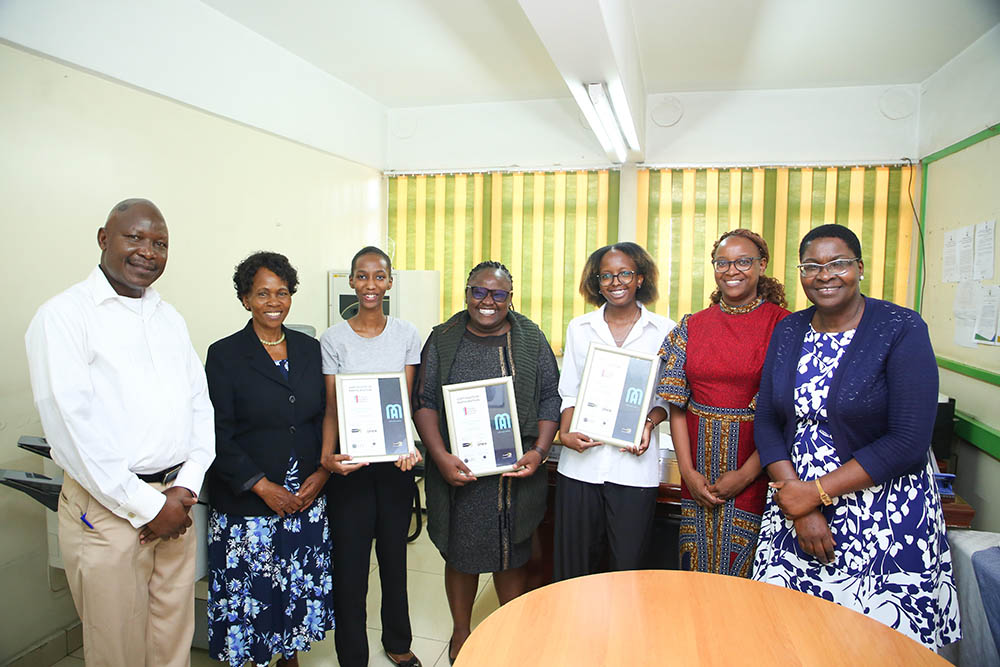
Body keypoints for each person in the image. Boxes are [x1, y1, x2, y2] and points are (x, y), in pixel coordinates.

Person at [24, 198, 215, 666]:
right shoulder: (64, 317)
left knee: (172, 636)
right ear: (104, 239)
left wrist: (185, 486)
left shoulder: (169, 318)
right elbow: (74, 430)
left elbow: (199, 406)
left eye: (160, 243)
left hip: (176, 502)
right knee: (117, 646)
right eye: (135, 238)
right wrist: (151, 506)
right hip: (110, 511)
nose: (148, 252)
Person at [752, 224, 960, 649]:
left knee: (877, 645)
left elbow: (908, 441)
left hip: (884, 515)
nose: (825, 274)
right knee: (787, 638)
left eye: (838, 263)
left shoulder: (900, 328)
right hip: (794, 505)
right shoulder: (789, 330)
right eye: (812, 266)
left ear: (860, 268)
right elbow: (768, 420)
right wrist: (800, 504)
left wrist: (816, 494)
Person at [413, 261, 560, 663]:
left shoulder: (530, 338)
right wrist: (440, 457)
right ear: (466, 292)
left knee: (511, 551)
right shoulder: (443, 339)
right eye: (479, 291)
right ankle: (462, 633)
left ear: (511, 297)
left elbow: (550, 398)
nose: (488, 301)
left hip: (515, 474)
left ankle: (506, 627)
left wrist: (540, 451)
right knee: (461, 554)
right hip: (459, 473)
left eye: (498, 294)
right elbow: (424, 402)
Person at [204, 252, 334, 667]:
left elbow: (325, 416)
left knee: (293, 590)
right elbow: (216, 433)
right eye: (262, 293)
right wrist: (261, 485)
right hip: (249, 502)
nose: (273, 301)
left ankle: (288, 656)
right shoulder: (225, 355)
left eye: (281, 292)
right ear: (245, 299)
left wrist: (322, 473)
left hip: (305, 498)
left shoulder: (311, 349)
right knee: (252, 597)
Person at [652, 229, 789, 576]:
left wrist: (745, 475)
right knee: (695, 571)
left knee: (749, 576)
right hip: (696, 468)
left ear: (762, 265)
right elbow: (676, 405)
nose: (732, 271)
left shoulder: (785, 326)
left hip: (758, 467)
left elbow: (787, 416)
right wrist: (687, 472)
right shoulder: (692, 326)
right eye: (722, 263)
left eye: (743, 262)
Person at [319, 246, 423, 667]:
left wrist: (408, 447)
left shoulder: (406, 334)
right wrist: (327, 456)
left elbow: (407, 402)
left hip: (395, 467)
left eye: (379, 277)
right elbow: (331, 408)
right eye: (362, 276)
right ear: (351, 282)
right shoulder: (332, 338)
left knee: (395, 561)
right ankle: (353, 655)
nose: (370, 285)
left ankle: (398, 643)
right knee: (350, 567)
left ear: (390, 282)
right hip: (351, 468)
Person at [555, 243, 675, 581]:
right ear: (596, 281)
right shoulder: (580, 327)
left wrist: (649, 424)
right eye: (605, 275)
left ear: (640, 278)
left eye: (624, 273)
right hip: (580, 467)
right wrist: (565, 433)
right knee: (574, 569)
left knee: (628, 569)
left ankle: (621, 634)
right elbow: (570, 390)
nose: (615, 281)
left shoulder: (665, 331)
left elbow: (666, 398)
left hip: (633, 467)